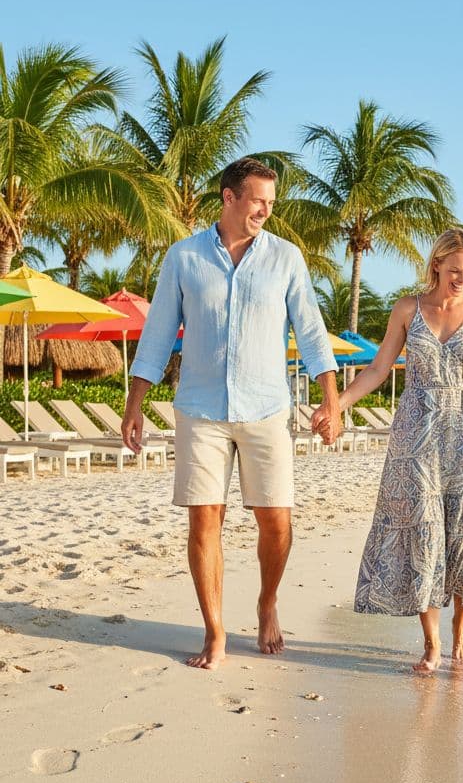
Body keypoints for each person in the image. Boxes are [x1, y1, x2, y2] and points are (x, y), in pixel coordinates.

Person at [122, 157, 340, 671]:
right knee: (205, 520)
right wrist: (133, 405)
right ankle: (215, 631)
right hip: (200, 409)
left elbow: (310, 330)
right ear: (229, 197)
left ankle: (267, 602)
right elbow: (156, 336)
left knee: (277, 521)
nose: (267, 209)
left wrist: (331, 398)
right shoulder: (183, 257)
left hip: (267, 408)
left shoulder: (286, 258)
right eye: (259, 199)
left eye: (271, 201)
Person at [337, 228, 463, 673]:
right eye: (455, 270)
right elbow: (378, 368)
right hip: (415, 434)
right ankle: (432, 641)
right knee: (424, 532)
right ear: (436, 265)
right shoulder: (407, 308)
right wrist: (339, 404)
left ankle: (462, 625)